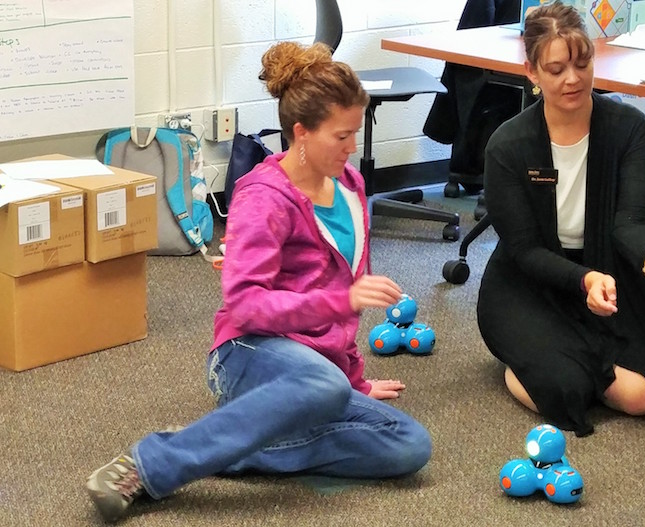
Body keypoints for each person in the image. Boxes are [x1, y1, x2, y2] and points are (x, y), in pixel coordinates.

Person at [85, 41, 432, 523]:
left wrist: (355, 379)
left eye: (355, 133)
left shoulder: (350, 185)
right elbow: (247, 307)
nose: (353, 148)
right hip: (247, 354)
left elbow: (343, 296)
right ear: (301, 133)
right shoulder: (261, 198)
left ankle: (229, 445)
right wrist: (340, 306)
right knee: (324, 385)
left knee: (409, 446)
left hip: (319, 375)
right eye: (342, 135)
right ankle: (153, 463)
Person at [476, 2, 645, 437]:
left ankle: (565, 359)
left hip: (609, 272)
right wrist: (584, 280)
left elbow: (630, 223)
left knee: (643, 398)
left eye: (582, 63)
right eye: (556, 69)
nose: (573, 79)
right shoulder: (507, 146)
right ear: (532, 73)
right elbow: (525, 250)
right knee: (566, 391)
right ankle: (523, 359)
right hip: (532, 281)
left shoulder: (629, 129)